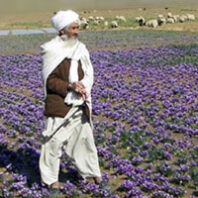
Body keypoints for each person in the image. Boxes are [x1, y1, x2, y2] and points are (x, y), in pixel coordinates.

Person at [38, 10, 110, 194]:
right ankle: (51, 182)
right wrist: (70, 86)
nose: (77, 31)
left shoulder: (81, 49)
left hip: (79, 103)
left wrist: (83, 85)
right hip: (60, 105)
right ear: (62, 30)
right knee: (52, 143)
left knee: (85, 140)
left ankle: (93, 175)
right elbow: (50, 81)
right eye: (74, 28)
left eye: (78, 28)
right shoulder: (51, 50)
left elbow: (89, 73)